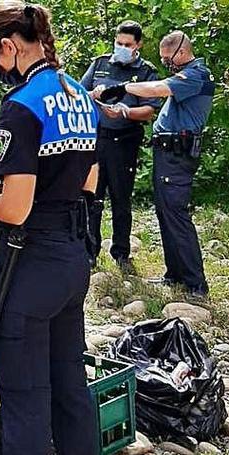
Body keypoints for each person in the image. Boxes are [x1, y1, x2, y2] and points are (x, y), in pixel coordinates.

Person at [0, 1, 99, 455]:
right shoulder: (78, 93)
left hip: (27, 262)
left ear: (8, 46)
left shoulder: (21, 105)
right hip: (70, 257)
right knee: (70, 392)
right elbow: (89, 175)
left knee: (24, 406)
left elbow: (15, 209)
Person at [100, 31, 214, 297]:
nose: (166, 63)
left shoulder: (196, 74)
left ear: (181, 53)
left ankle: (196, 283)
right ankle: (175, 274)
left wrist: (123, 87)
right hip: (168, 154)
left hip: (177, 155)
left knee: (175, 214)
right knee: (165, 212)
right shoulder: (188, 73)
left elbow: (157, 89)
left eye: (167, 58)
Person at [80, 21, 161, 272]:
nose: (122, 48)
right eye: (119, 43)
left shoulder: (146, 71)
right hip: (96, 139)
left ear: (138, 45)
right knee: (91, 197)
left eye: (128, 45)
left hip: (124, 141)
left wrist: (126, 112)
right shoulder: (101, 63)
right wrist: (93, 96)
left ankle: (121, 253)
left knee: (120, 199)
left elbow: (149, 110)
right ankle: (89, 251)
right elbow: (79, 94)